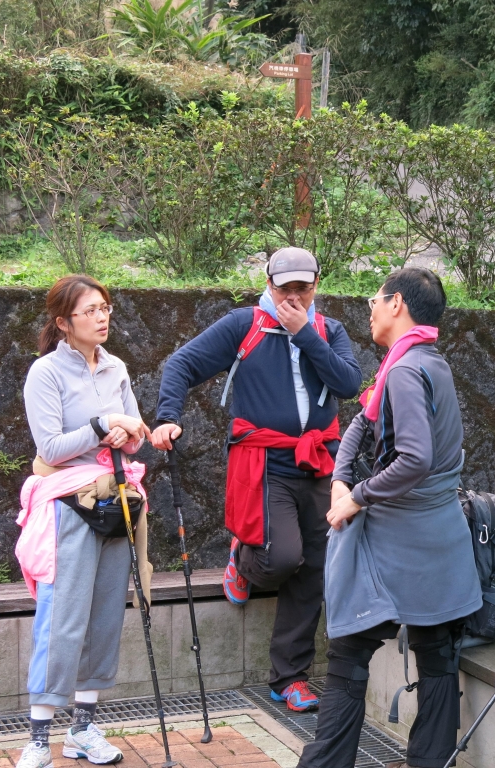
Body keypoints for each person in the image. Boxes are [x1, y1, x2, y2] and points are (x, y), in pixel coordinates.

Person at [151, 247, 362, 711]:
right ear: (268, 284)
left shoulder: (328, 330)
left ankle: (289, 678)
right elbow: (180, 365)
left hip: (319, 462)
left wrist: (304, 334)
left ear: (316, 285)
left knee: (315, 569)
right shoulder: (243, 325)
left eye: (302, 287)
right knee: (282, 559)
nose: (293, 295)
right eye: (284, 287)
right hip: (264, 463)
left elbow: (349, 383)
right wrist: (168, 417)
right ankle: (244, 554)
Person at [298, 268, 483, 768]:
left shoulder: (403, 369)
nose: (371, 308)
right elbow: (362, 421)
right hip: (439, 539)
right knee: (437, 650)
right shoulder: (424, 361)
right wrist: (339, 477)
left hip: (398, 538)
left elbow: (415, 458)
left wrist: (356, 496)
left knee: (349, 653)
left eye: (375, 299)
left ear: (397, 303)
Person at [16, 275, 153, 768]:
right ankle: (37, 738)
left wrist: (127, 436)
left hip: (116, 500)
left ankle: (83, 730)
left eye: (106, 308)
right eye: (91, 310)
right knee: (62, 618)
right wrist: (101, 427)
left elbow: (135, 430)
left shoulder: (116, 368)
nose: (102, 317)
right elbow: (50, 448)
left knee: (103, 616)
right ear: (63, 322)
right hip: (68, 503)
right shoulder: (45, 373)